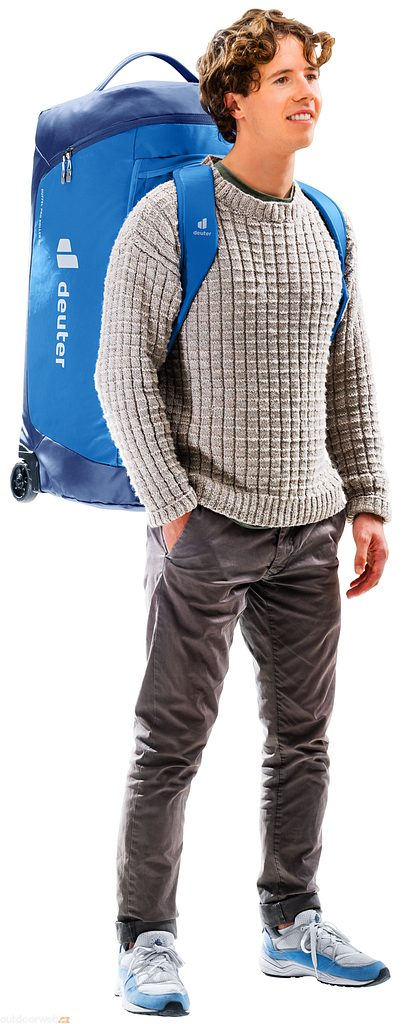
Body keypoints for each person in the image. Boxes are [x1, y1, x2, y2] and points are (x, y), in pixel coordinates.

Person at [94, 7, 392, 1012]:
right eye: (283, 79)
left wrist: (367, 502)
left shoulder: (329, 223)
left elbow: (348, 375)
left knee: (303, 739)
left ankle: (290, 921)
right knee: (169, 743)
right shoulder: (168, 217)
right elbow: (121, 372)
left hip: (310, 529)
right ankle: (146, 938)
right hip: (204, 527)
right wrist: (174, 510)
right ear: (234, 101)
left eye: (310, 75)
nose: (308, 92)